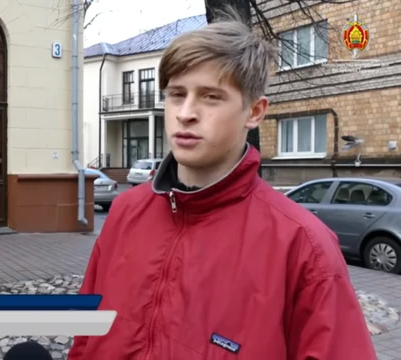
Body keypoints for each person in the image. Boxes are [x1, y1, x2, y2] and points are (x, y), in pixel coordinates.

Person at [67, 13, 376, 360]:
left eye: (210, 97)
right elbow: (87, 333)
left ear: (254, 112)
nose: (186, 113)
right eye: (176, 94)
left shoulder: (303, 245)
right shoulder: (125, 212)